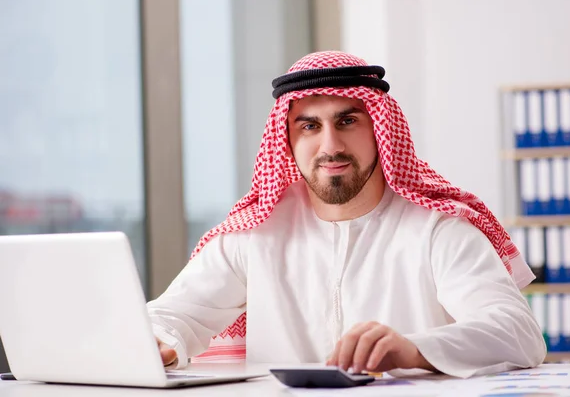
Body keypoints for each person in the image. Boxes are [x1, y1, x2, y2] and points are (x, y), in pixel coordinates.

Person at [147, 51, 546, 378]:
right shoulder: (255, 235)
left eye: (347, 121)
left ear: (379, 128)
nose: (330, 145)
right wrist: (161, 342)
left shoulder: (436, 228)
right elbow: (169, 316)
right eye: (309, 126)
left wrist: (414, 349)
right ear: (287, 138)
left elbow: (518, 332)